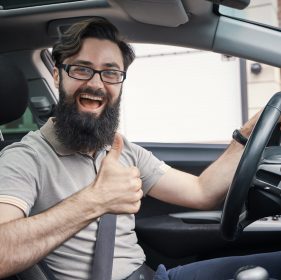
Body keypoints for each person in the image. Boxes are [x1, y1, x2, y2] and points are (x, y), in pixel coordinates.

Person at [0, 17, 279, 280]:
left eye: (110, 73)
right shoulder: (24, 159)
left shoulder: (122, 149)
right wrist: (96, 200)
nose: (96, 84)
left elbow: (201, 191)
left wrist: (245, 135)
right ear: (58, 76)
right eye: (82, 69)